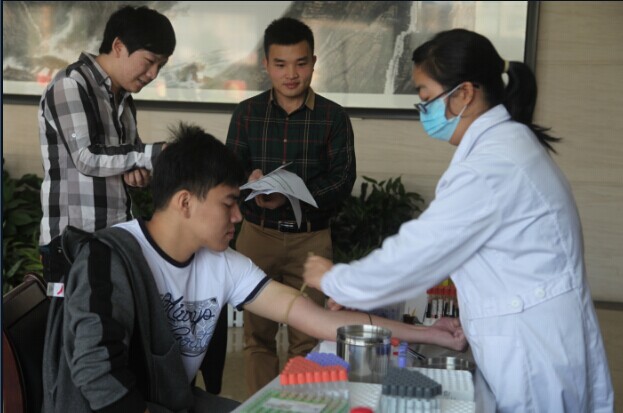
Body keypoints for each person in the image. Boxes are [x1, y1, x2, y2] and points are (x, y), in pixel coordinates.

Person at [42, 123, 466, 413]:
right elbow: (95, 374)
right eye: (229, 203)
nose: (238, 217)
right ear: (185, 202)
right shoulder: (108, 259)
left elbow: (316, 320)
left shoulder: (221, 263)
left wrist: (429, 334)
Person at [303, 28, 614, 412]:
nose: (424, 110)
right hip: (537, 335)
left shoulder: (491, 166)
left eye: (426, 97)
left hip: (532, 350)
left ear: (464, 93)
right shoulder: (507, 146)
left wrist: (335, 280)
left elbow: (420, 251)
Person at [225, 17, 357, 394]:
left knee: (309, 339)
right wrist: (249, 182)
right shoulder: (246, 114)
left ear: (313, 62)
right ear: (266, 64)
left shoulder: (333, 117)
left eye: (300, 63)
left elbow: (342, 180)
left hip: (310, 240)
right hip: (257, 235)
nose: (291, 74)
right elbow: (229, 174)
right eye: (280, 64)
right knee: (257, 337)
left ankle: (302, 406)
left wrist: (291, 194)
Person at [37, 5, 174, 284]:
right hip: (72, 242)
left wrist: (137, 174)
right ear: (119, 46)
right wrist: (156, 153)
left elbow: (127, 158)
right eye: (149, 61)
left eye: (160, 66)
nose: (153, 74)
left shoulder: (124, 100)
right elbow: (87, 157)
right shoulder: (71, 84)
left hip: (113, 237)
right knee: (73, 316)